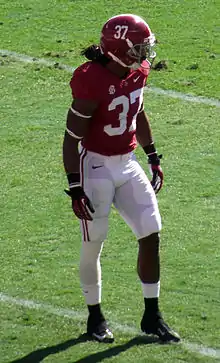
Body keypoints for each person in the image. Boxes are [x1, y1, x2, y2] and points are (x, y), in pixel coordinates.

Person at [62, 14, 180, 343]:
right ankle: (95, 317)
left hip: (127, 163)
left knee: (151, 232)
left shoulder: (138, 71)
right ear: (119, 49)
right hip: (95, 167)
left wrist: (153, 155)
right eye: (139, 48)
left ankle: (151, 314)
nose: (145, 55)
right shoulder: (90, 80)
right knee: (93, 243)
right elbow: (71, 139)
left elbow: (137, 111)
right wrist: (74, 186)